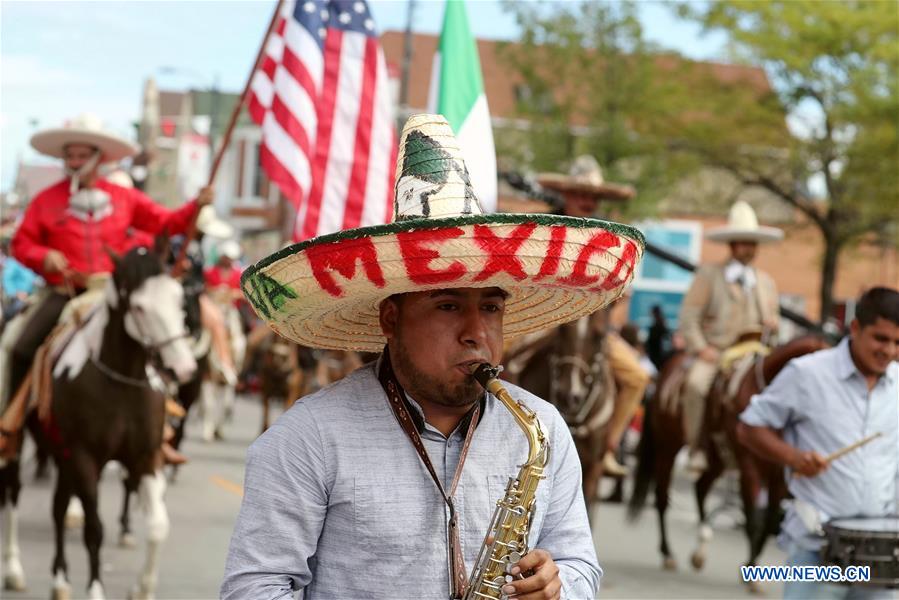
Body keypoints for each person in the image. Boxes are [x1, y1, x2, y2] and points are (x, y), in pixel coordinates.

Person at [220, 115, 648, 598]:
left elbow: (581, 567)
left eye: (491, 307)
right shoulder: (307, 438)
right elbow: (254, 589)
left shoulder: (543, 428)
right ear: (390, 318)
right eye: (447, 306)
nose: (476, 333)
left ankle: (611, 451)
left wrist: (558, 585)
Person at [6, 114, 212, 425]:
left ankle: (159, 427)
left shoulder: (124, 197)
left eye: (82, 155)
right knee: (20, 347)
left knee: (155, 339)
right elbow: (21, 243)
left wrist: (195, 206)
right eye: (70, 155)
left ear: (97, 157)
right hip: (64, 292)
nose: (75, 161)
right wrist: (43, 255)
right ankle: (11, 428)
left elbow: (166, 222)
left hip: (112, 295)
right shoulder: (45, 201)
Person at [737, 287, 899, 600]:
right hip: (818, 548)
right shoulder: (807, 373)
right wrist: (793, 457)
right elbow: (749, 426)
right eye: (880, 339)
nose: (889, 351)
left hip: (883, 551)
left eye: (898, 343)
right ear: (854, 329)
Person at [538, 155, 649, 477]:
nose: (587, 201)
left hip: (594, 324)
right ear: (566, 195)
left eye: (593, 196)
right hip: (543, 321)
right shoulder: (544, 226)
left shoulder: (614, 235)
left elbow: (624, 290)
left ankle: (607, 447)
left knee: (638, 377)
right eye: (580, 194)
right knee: (502, 359)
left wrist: (606, 319)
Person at [678, 200, 782, 473]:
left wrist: (773, 324)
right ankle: (696, 446)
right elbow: (689, 318)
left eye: (753, 242)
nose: (751, 248)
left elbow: (775, 322)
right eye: (746, 242)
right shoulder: (709, 275)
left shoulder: (766, 282)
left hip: (754, 353)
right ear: (733, 244)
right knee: (695, 386)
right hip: (717, 352)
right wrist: (702, 349)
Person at [646, 304, 671, 370]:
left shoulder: (656, 327)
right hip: (661, 354)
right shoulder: (663, 324)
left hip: (656, 355)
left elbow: (651, 342)